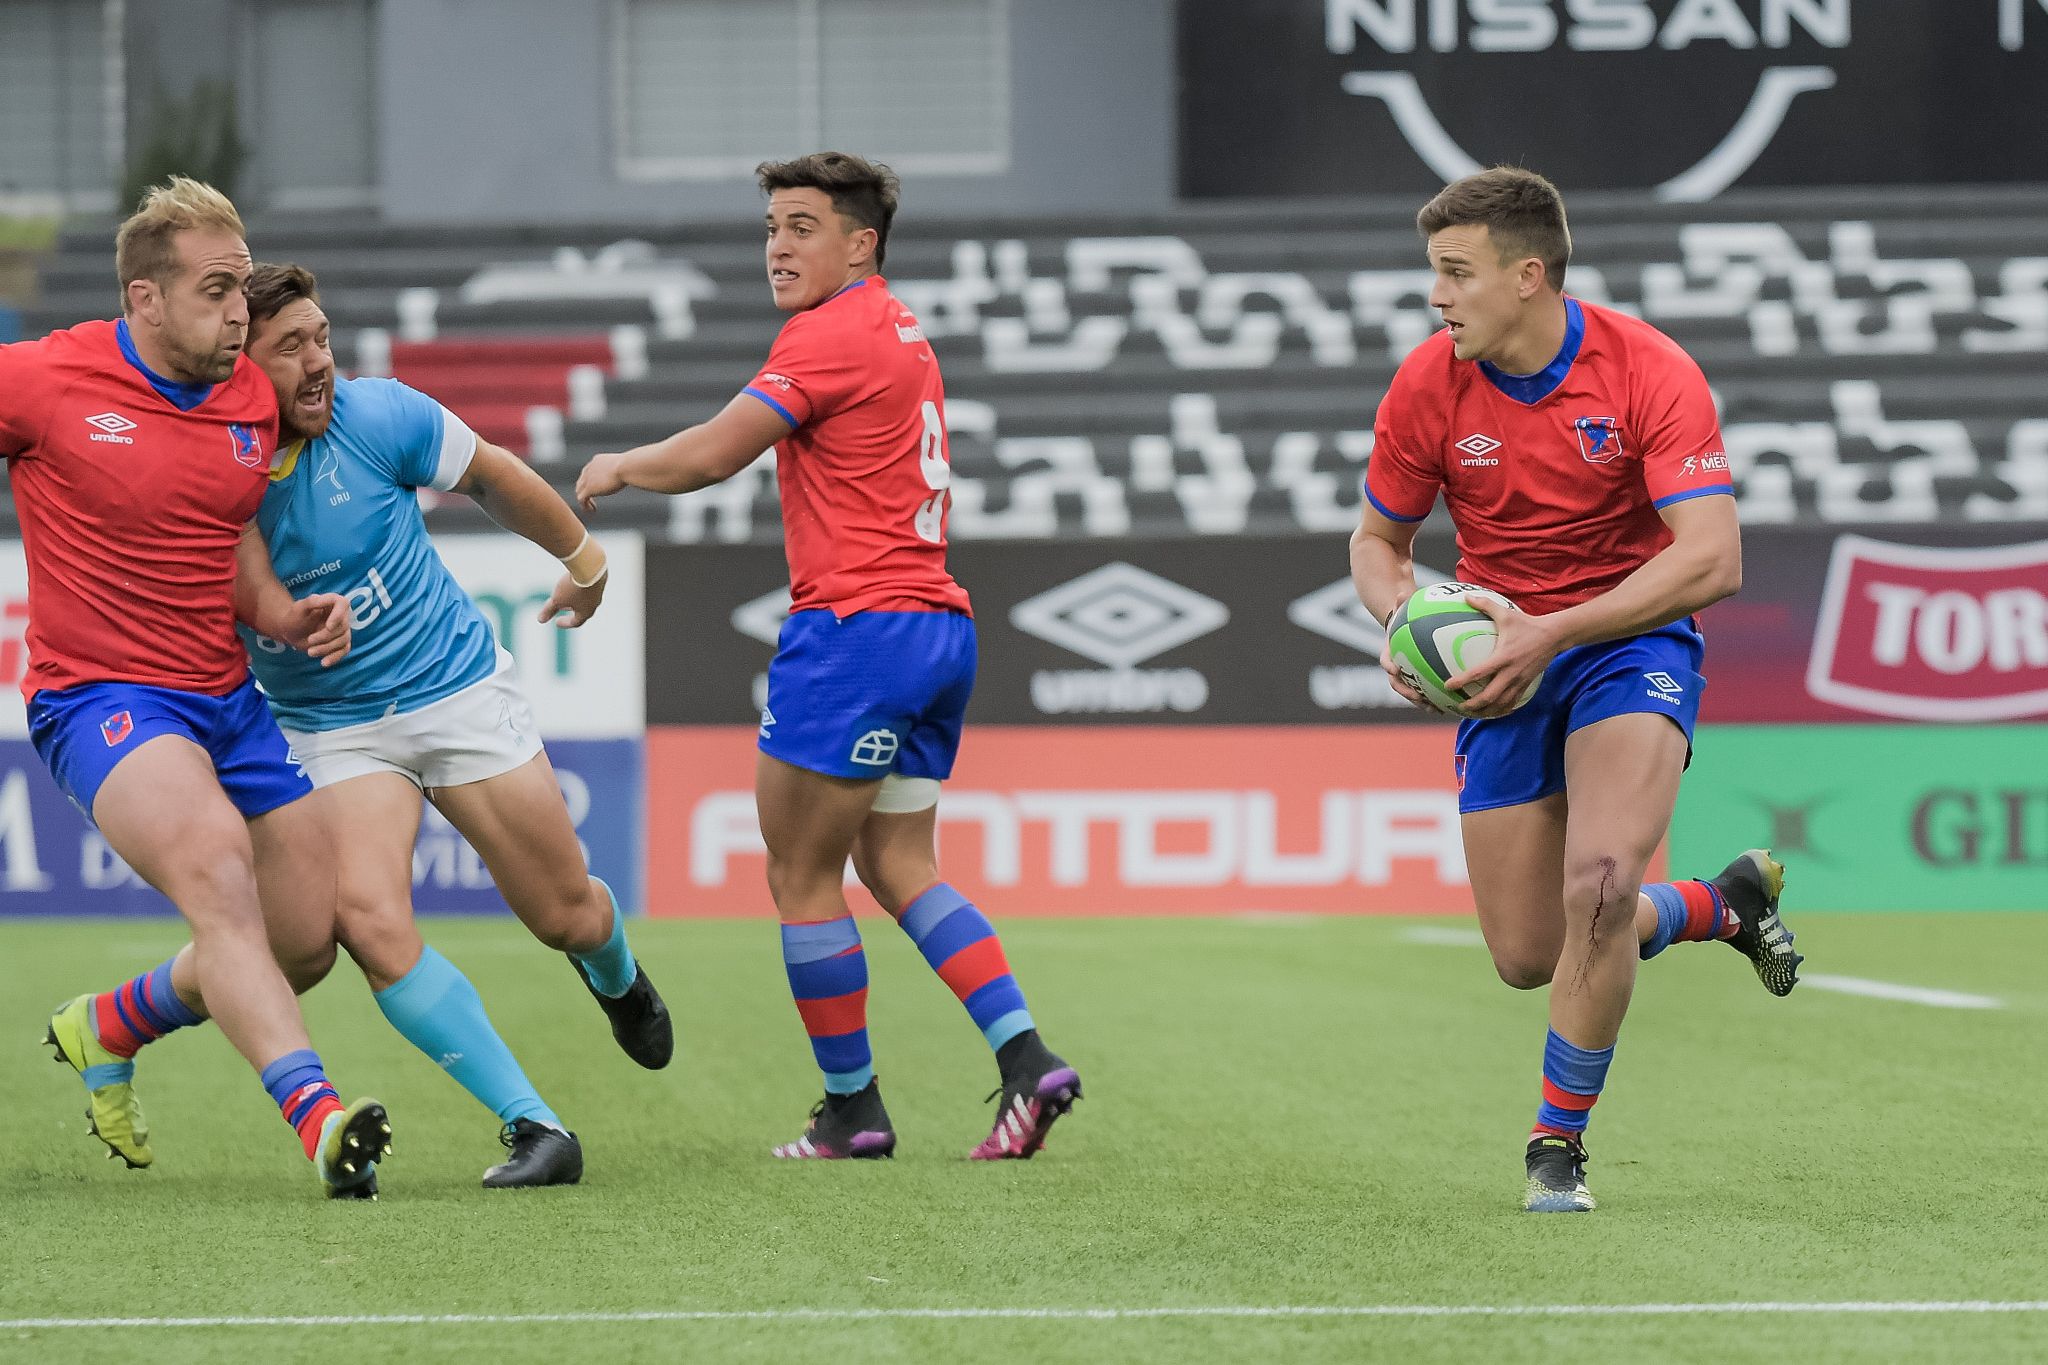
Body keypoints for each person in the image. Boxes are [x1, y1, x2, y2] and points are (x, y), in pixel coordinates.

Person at [72, 261, 675, 1189]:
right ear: (240, 364)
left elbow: (496, 477)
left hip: (457, 693)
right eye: (291, 348)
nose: (320, 362)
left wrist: (586, 561)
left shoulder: (380, 413)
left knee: (565, 912)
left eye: (322, 337)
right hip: (331, 729)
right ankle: (536, 1126)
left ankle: (617, 976)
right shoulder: (211, 465)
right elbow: (229, 583)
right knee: (362, 919)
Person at [577, 151, 1080, 1160]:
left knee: (800, 876)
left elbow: (719, 452)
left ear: (861, 244)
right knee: (898, 864)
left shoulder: (828, 334)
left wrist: (620, 464)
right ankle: (1024, 1061)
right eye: (771, 226)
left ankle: (852, 1109)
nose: (777, 245)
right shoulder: (896, 324)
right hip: (938, 626)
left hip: (855, 632)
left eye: (802, 226)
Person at [1349, 166, 1803, 1213]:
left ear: (1528, 275)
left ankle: (1555, 1145)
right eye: (1433, 274)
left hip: (1622, 646)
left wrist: (1549, 630)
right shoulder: (1427, 383)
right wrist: (1406, 625)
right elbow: (1376, 543)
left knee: (1597, 882)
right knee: (1526, 955)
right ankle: (1712, 906)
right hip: (1502, 674)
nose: (1436, 296)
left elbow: (1712, 561)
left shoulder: (1646, 369)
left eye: (1454, 274)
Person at [2, 178, 392, 1197]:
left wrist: (281, 614)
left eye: (243, 287)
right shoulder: (47, 381)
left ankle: (110, 1023)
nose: (239, 312)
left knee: (301, 940)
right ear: (145, 298)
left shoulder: (250, 400)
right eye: (218, 290)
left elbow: (230, 538)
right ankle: (318, 1118)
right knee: (218, 872)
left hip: (226, 701)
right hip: (100, 700)